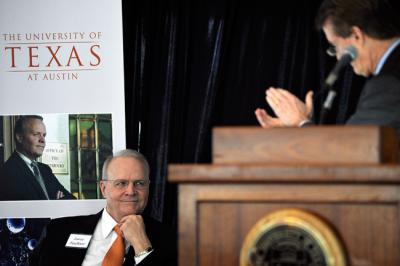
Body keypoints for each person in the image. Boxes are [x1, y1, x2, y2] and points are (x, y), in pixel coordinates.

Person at [255, 0, 400, 137]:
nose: (338, 57)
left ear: (356, 35)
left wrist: (301, 123)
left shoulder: (388, 85)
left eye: (335, 46)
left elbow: (351, 150)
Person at [29, 149, 176, 266]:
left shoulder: (170, 241)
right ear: (104, 188)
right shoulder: (58, 230)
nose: (131, 192)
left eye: (139, 184)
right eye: (121, 183)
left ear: (148, 188)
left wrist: (142, 248)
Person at [0, 115, 74, 200]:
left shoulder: (45, 169)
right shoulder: (7, 172)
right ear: (20, 137)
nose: (42, 140)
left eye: (44, 135)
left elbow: (71, 200)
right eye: (36, 134)